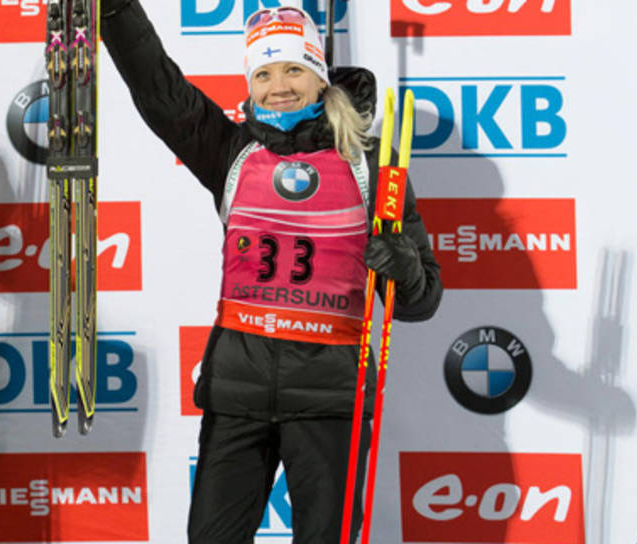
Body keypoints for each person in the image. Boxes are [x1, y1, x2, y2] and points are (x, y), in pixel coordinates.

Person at [100, 2, 443, 542]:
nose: (278, 86)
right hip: (238, 394)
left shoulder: (371, 163)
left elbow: (421, 303)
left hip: (331, 399)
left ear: (319, 76)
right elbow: (160, 91)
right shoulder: (232, 151)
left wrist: (405, 267)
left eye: (293, 70)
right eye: (263, 74)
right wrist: (116, 11)